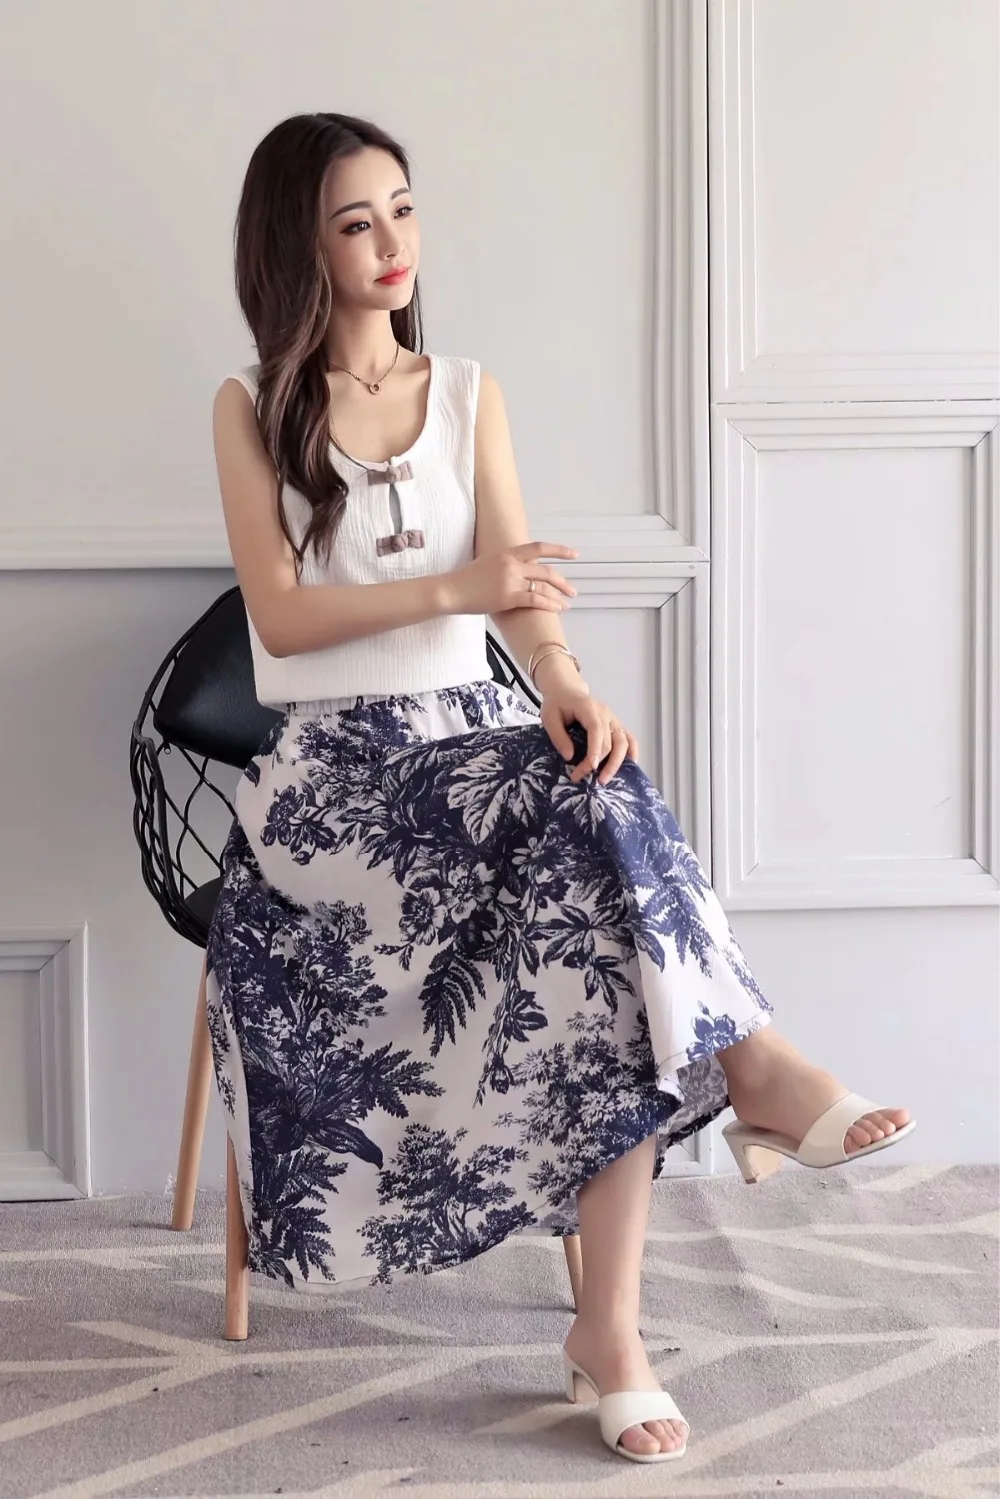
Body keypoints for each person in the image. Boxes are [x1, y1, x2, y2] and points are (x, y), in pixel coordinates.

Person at [206, 112, 915, 1467]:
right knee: (576, 810)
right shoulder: (251, 407)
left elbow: (524, 591)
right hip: (334, 789)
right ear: (298, 246)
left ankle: (614, 1326)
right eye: (356, 222)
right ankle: (756, 1067)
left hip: (478, 744)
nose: (393, 242)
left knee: (597, 825)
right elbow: (282, 619)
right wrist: (463, 589)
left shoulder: (468, 391)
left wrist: (563, 678)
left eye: (403, 208)